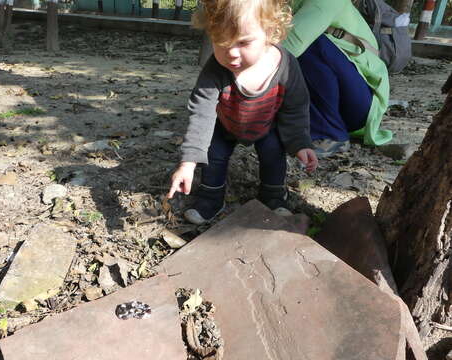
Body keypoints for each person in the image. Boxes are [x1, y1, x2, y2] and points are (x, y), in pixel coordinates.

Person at [167, 0, 318, 225]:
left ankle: (274, 196)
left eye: (243, 42)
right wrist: (189, 161)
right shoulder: (217, 69)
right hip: (225, 124)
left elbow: (295, 108)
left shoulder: (286, 66)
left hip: (266, 125)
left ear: (270, 31)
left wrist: (300, 143)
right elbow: (202, 111)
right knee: (214, 154)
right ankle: (211, 198)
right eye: (221, 43)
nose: (232, 54)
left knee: (273, 153)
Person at [282, 0, 393, 157]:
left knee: (306, 46)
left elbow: (291, 45)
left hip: (360, 107)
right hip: (341, 98)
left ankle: (329, 133)